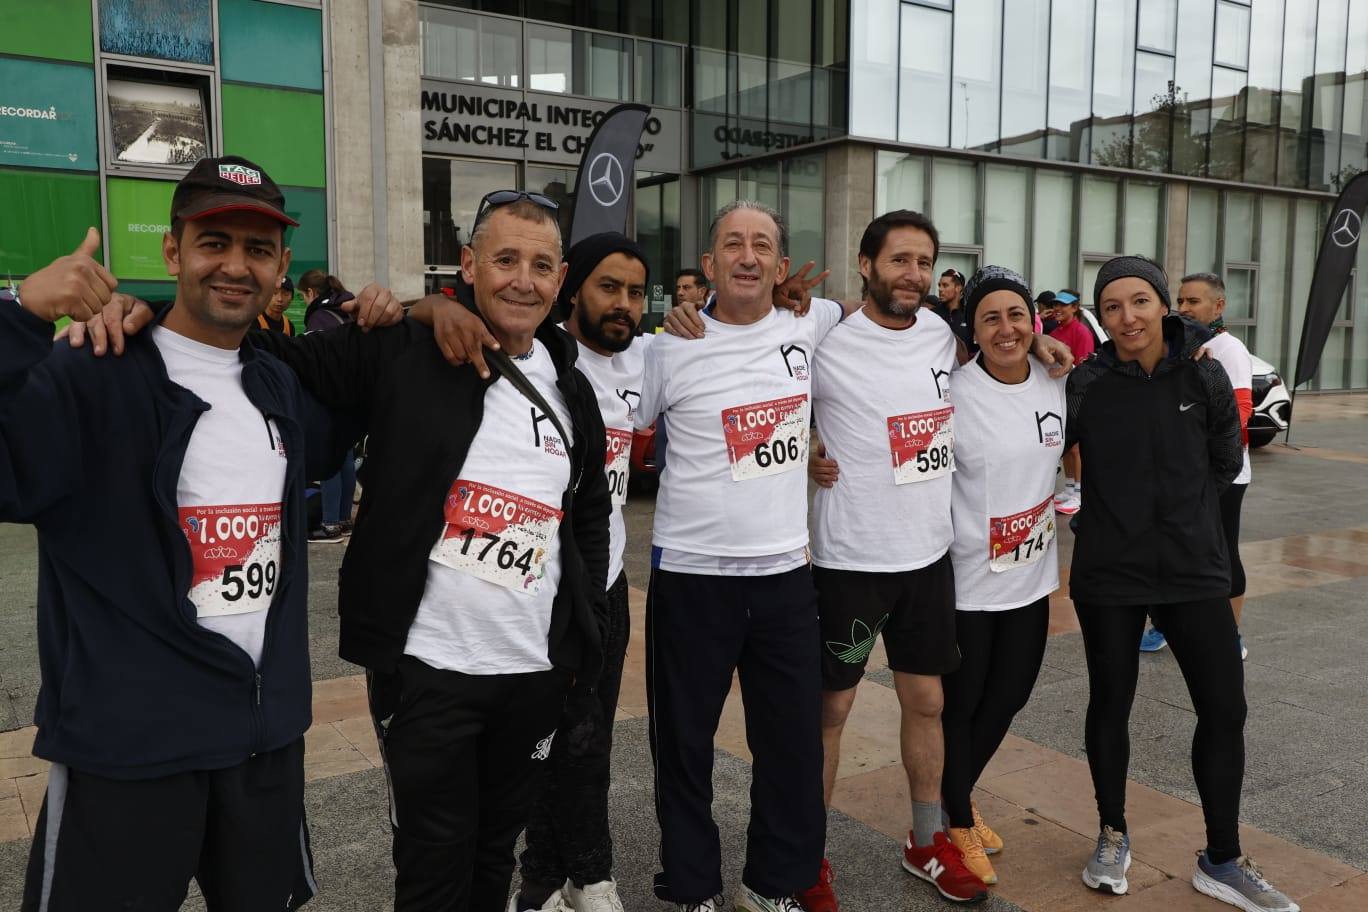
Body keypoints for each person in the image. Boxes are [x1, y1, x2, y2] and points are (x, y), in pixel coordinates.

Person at [1, 155, 399, 911]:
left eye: (257, 249)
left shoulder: (276, 384)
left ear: (282, 267)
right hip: (129, 753)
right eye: (215, 242)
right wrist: (20, 311)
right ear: (173, 251)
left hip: (261, 749)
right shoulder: (96, 370)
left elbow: (362, 391)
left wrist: (414, 307)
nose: (235, 266)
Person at [252, 190, 610, 912]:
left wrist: (578, 639)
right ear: (470, 265)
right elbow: (265, 353)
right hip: (430, 672)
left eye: (541, 265)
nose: (523, 280)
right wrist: (412, 306)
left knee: (492, 860)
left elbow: (590, 518)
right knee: (431, 870)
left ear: (561, 279)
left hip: (533, 675)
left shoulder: (571, 386)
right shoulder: (408, 349)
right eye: (505, 259)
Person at [1066, 256, 1298, 912]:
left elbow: (1228, 459)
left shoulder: (1205, 373)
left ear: (1164, 305)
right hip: (1110, 570)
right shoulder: (1086, 380)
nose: (1127, 317)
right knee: (1111, 703)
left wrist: (1181, 513)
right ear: (1102, 317)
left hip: (1194, 569)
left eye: (1139, 301)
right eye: (1112, 307)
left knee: (1225, 708)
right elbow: (1053, 445)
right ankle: (1112, 833)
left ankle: (1221, 858)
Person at [637, 200, 848, 912]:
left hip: (786, 578)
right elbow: (614, 402)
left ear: (783, 268)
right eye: (733, 243)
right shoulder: (667, 347)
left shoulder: (811, 324)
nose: (749, 256)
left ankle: (771, 884)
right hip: (691, 579)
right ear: (709, 265)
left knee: (791, 747)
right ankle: (693, 887)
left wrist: (1035, 342)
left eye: (763, 245)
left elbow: (887, 323)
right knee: (685, 748)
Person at [801, 212, 988, 908]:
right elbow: (774, 402)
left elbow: (998, 369)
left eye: (924, 261)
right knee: (832, 708)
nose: (912, 274)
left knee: (928, 699)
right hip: (850, 558)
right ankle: (807, 854)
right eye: (900, 260)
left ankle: (924, 839)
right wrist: (807, 458)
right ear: (866, 263)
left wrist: (1046, 355)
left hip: (927, 557)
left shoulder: (943, 334)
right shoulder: (827, 335)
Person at [509, 232, 653, 912]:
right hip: (536, 588)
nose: (623, 304)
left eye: (635, 291)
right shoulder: (535, 359)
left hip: (605, 586)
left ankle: (554, 880)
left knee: (586, 734)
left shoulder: (648, 359)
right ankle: (576, 876)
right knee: (552, 738)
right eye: (608, 287)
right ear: (573, 288)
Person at [939, 267, 1066, 887]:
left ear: (1033, 323)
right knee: (962, 703)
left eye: (1017, 315)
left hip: (1033, 574)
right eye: (991, 317)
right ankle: (956, 815)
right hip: (968, 578)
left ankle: (954, 794)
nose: (1006, 328)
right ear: (974, 328)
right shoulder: (954, 390)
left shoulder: (1056, 380)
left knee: (1010, 694)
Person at [1143, 273, 1255, 660]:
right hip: (1181, 476)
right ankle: (1164, 626)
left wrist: (1197, 446)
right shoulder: (1179, 345)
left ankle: (1232, 634)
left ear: (1218, 306)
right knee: (1172, 548)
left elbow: (1241, 410)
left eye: (1194, 301)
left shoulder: (1229, 349)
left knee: (1222, 551)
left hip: (1225, 475)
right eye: (1181, 300)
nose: (1185, 308)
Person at [298, 270, 358, 542]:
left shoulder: (320, 316)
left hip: (330, 392)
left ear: (311, 293)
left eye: (302, 296)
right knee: (344, 456)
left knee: (331, 458)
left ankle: (330, 523)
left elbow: (315, 358)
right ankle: (343, 520)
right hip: (352, 392)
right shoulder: (343, 310)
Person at [1048, 290, 1092, 516]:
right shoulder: (1054, 332)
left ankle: (1080, 493)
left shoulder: (1081, 332)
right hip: (1058, 393)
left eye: (1063, 305)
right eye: (1056, 305)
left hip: (1078, 394)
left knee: (1076, 447)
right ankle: (1068, 488)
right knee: (1064, 444)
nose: (1058, 309)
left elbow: (1084, 367)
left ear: (1074, 308)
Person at [931, 267, 970, 346]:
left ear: (958, 288)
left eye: (945, 285)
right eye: (939, 285)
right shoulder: (933, 314)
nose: (940, 289)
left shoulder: (970, 314)